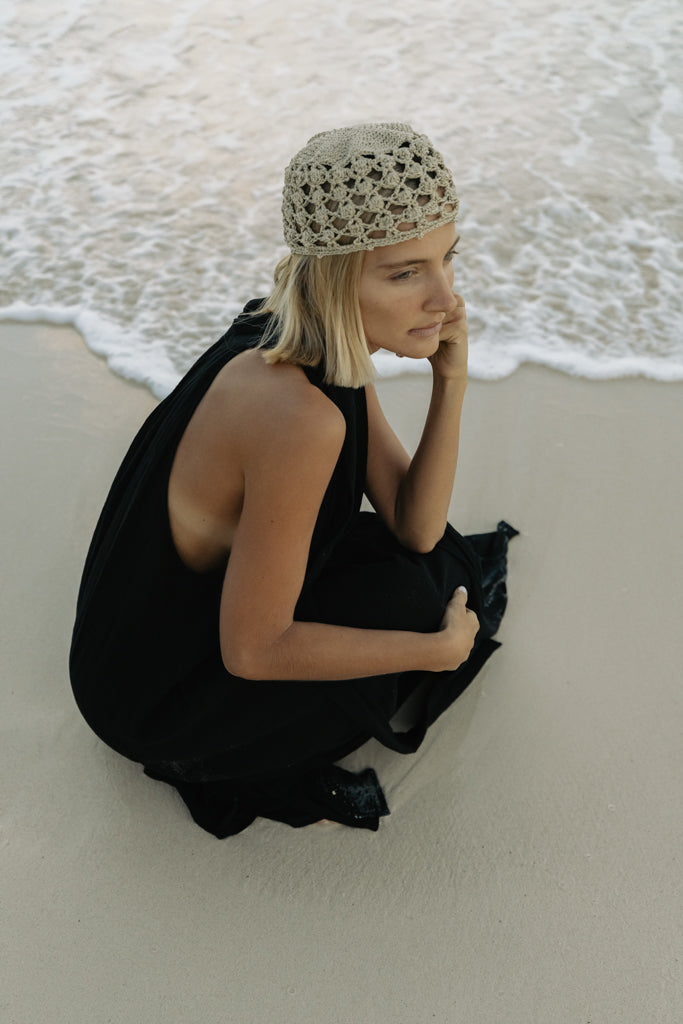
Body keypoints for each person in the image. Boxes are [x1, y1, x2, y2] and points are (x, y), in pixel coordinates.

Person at [69, 123, 517, 837]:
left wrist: (450, 381)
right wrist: (435, 653)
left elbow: (414, 524)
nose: (445, 298)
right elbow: (253, 650)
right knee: (421, 605)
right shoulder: (298, 418)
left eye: (447, 259)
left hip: (159, 628)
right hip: (155, 700)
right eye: (405, 273)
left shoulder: (303, 328)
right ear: (335, 276)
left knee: (428, 569)